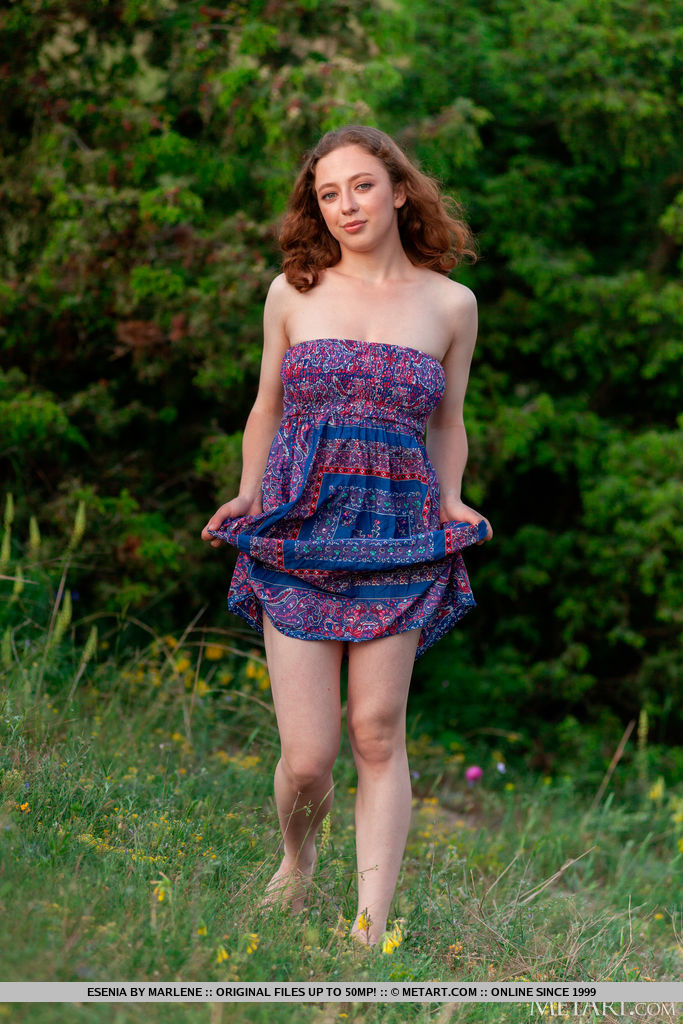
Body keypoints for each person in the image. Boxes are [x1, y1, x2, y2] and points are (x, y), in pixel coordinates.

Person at [201, 125, 492, 948]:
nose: (345, 206)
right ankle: (296, 864)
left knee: (376, 730)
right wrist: (247, 492)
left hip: (398, 531)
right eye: (328, 194)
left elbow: (448, 421)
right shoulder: (291, 293)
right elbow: (266, 406)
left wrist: (451, 499)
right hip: (298, 525)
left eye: (361, 186)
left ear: (398, 191)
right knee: (306, 758)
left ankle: (369, 928)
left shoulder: (450, 304)